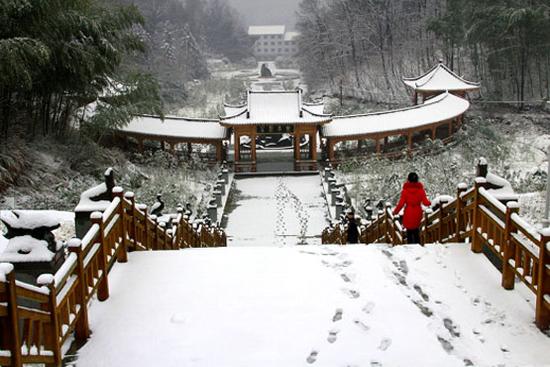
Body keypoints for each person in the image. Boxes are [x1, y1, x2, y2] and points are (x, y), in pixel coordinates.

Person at [393, 172, 431, 244]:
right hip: (418, 212)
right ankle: (418, 246)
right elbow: (426, 202)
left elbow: (401, 203)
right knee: (416, 230)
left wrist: (395, 212)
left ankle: (410, 247)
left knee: (409, 231)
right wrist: (429, 203)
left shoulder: (405, 191)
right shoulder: (421, 190)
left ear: (408, 180)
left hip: (408, 212)